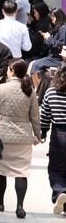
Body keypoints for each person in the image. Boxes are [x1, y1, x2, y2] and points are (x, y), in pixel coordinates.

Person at [0, 60, 40, 220]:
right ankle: (20, 206)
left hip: (3, 135)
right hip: (23, 135)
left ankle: (0, 202)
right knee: (21, 171)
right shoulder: (29, 90)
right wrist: (38, 135)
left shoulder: (1, 88)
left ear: (11, 70)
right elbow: (35, 116)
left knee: (1, 170)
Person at [40, 69, 66, 215]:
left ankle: (60, 191)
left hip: (59, 134)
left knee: (56, 168)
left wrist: (43, 131)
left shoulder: (51, 93)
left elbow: (45, 114)